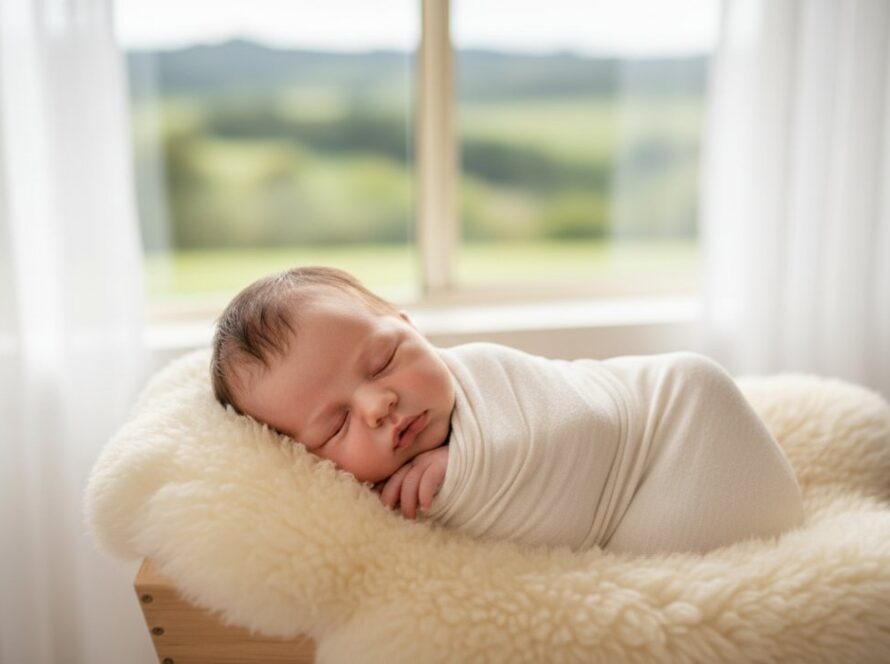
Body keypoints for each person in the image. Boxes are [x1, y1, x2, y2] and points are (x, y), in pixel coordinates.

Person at [211, 266, 805, 555]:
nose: (378, 403)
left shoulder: (486, 372)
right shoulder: (358, 502)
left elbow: (584, 423)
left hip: (679, 423)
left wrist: (465, 471)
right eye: (336, 424)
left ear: (408, 326)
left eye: (385, 359)